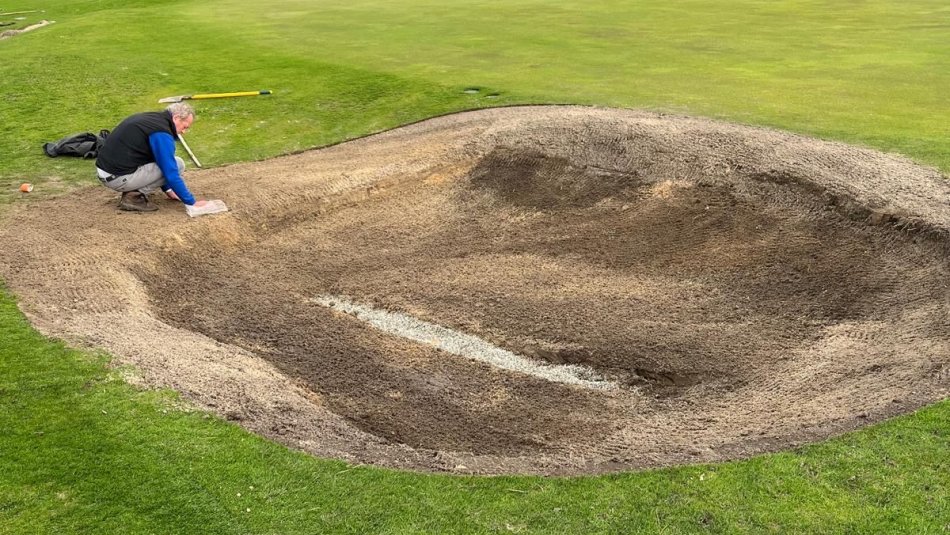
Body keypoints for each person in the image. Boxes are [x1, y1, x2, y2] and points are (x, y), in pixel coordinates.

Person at [95, 102, 208, 212]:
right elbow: (170, 172)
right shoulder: (161, 132)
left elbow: (158, 159)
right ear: (177, 118)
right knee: (178, 164)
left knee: (169, 163)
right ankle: (133, 197)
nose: (184, 131)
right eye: (185, 126)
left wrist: (168, 189)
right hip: (116, 177)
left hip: (107, 171)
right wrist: (191, 202)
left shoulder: (154, 120)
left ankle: (133, 191)